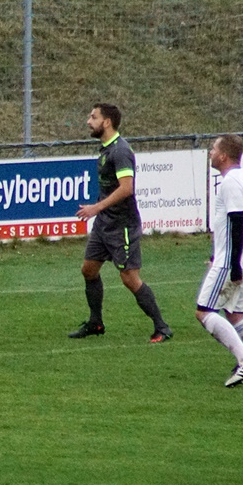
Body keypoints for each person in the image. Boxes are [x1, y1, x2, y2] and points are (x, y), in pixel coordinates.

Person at [68, 103, 174, 342]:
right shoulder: (107, 149)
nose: (88, 121)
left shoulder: (121, 151)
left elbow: (127, 188)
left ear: (106, 122)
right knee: (88, 269)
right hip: (104, 224)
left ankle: (162, 327)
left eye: (93, 117)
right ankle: (96, 323)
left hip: (122, 226)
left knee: (129, 278)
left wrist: (96, 208)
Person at [194, 135, 243, 386]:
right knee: (236, 314)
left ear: (224, 155)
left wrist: (233, 263)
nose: (210, 152)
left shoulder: (230, 182)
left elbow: (236, 221)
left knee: (204, 311)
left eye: (213, 148)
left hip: (232, 260)